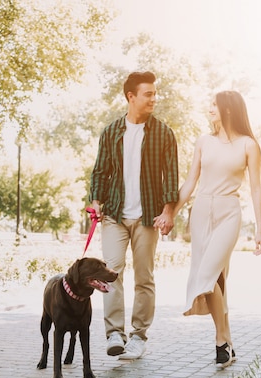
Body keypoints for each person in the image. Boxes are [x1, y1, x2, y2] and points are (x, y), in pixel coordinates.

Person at [154, 90, 261, 368]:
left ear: (228, 109)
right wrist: (170, 214)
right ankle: (227, 342)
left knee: (208, 274)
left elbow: (256, 188)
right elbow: (190, 182)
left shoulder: (248, 145)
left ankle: (220, 340)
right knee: (218, 280)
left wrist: (260, 230)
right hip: (201, 211)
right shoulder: (204, 141)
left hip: (229, 212)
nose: (210, 109)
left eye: (214, 105)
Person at [89, 71, 179, 360]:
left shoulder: (163, 133)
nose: (154, 98)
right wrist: (96, 201)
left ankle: (139, 336)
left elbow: (171, 178)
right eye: (148, 94)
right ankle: (115, 333)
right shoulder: (112, 132)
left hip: (147, 216)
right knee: (111, 272)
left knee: (144, 278)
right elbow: (100, 171)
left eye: (154, 93)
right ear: (131, 96)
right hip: (114, 213)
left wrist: (168, 212)